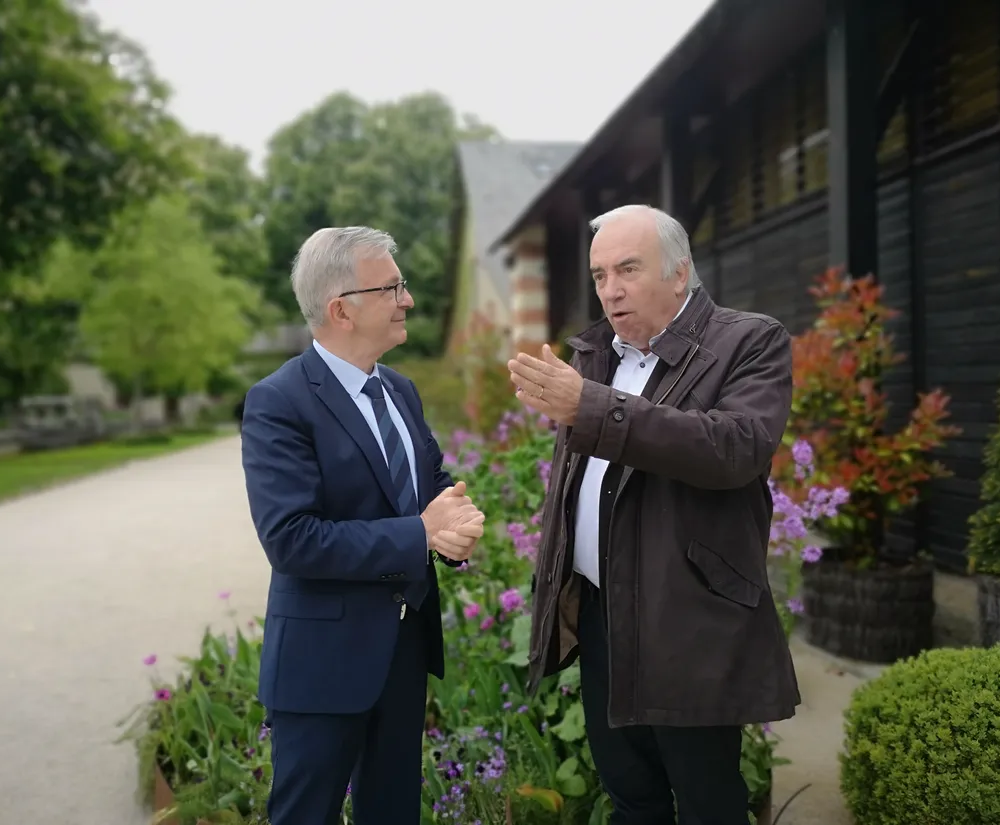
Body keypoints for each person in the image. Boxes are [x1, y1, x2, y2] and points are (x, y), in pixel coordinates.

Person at [509, 205, 800, 825]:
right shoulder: (595, 355)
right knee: (631, 797)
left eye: (628, 269)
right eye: (599, 275)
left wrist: (592, 408)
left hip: (686, 620)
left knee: (706, 803)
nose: (610, 290)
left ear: (679, 273)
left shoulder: (749, 341)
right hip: (599, 613)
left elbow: (733, 449)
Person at [241, 226, 485, 825]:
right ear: (340, 309)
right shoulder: (279, 402)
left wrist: (455, 524)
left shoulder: (399, 389)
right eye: (392, 287)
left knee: (394, 812)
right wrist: (421, 534)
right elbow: (292, 539)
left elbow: (428, 483)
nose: (408, 300)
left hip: (402, 650)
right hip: (322, 661)